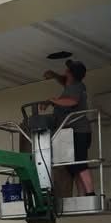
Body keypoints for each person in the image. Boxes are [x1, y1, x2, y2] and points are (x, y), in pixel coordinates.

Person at [41, 59, 95, 196]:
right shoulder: (71, 85)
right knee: (74, 166)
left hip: (78, 131)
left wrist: (52, 100)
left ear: (71, 74)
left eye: (68, 70)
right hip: (71, 133)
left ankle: (90, 193)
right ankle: (82, 195)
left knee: (80, 163)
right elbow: (63, 80)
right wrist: (53, 76)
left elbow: (72, 101)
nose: (65, 71)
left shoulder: (76, 87)